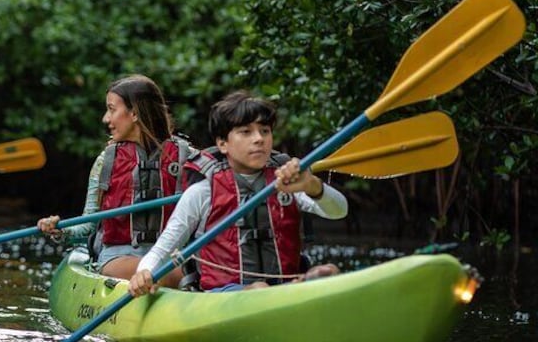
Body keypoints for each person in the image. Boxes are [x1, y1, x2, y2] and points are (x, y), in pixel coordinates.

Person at [128, 91, 348, 297]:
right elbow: (163, 248)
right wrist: (144, 272)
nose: (259, 139)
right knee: (259, 288)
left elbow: (339, 211)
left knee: (328, 271)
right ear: (223, 143)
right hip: (224, 295)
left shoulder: (286, 183)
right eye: (246, 132)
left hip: (283, 290)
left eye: (265, 131)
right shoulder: (203, 192)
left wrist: (312, 186)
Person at [37, 75, 196, 287]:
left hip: (171, 256)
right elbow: (88, 226)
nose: (106, 118)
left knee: (166, 270)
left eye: (112, 109)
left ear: (134, 113)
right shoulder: (106, 161)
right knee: (155, 272)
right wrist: (60, 230)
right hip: (117, 257)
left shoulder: (189, 159)